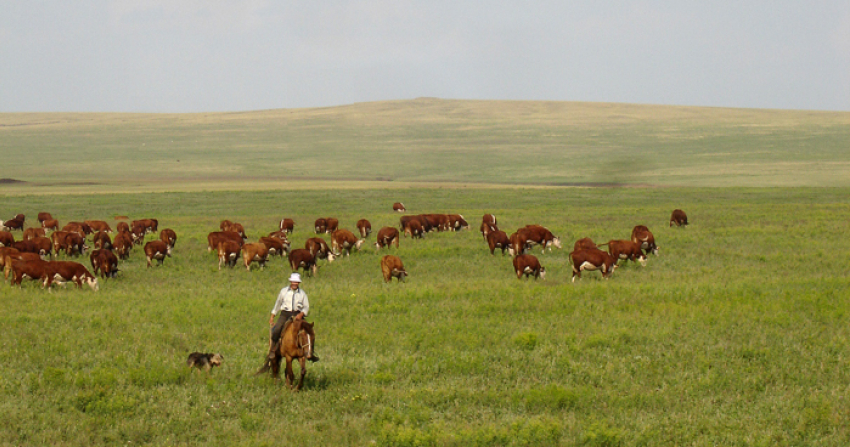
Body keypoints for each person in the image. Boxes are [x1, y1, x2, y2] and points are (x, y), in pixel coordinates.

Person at [267, 272, 319, 362]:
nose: (295, 284)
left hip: (298, 314)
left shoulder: (302, 294)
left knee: (309, 331)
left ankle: (311, 352)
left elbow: (306, 306)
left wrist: (301, 314)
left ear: (299, 283)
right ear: (290, 282)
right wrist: (273, 315)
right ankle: (273, 349)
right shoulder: (284, 291)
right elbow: (278, 303)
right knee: (277, 329)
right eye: (293, 282)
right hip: (285, 313)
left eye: (297, 282)